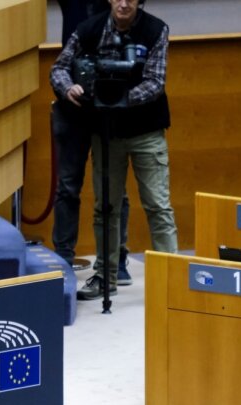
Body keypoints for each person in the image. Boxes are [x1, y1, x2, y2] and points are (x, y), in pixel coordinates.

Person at [51, 0, 178, 298]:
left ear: (139, 1)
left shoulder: (156, 29)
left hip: (146, 131)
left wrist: (119, 98)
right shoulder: (89, 29)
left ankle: (170, 281)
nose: (123, 4)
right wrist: (68, 87)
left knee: (158, 206)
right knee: (105, 208)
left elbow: (155, 82)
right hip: (107, 133)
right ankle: (105, 278)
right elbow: (59, 68)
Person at [51, 0, 133, 297]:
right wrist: (65, 87)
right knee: (67, 186)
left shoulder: (121, 4)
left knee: (115, 188)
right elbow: (59, 67)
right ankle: (63, 259)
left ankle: (117, 259)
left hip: (108, 103)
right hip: (72, 102)